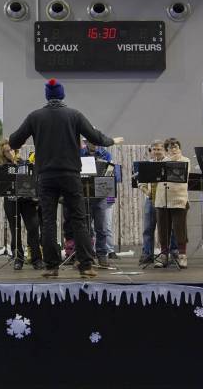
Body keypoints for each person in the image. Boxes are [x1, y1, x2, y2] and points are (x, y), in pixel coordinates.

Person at [9, 78, 123, 278]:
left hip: (46, 176)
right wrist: (112, 140)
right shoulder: (74, 115)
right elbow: (95, 137)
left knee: (49, 222)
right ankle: (86, 266)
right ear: (62, 95)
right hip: (70, 175)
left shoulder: (35, 117)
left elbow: (14, 140)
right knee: (79, 219)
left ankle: (51, 266)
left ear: (47, 95)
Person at [0, 139, 43, 270]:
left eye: (12, 150)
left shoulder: (24, 163)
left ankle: (36, 258)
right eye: (7, 151)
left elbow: (33, 181)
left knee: (33, 227)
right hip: (11, 201)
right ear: (2, 154)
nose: (10, 153)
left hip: (27, 201)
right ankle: (18, 258)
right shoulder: (0, 167)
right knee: (15, 229)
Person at [138, 140, 178, 265]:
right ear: (151, 151)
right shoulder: (147, 164)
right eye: (154, 149)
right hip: (151, 200)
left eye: (159, 149)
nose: (156, 152)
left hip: (166, 200)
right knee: (148, 228)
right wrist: (146, 191)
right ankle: (147, 254)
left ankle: (171, 254)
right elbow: (141, 183)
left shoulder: (169, 163)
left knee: (169, 229)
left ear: (164, 150)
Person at [153, 138, 191, 268]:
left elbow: (183, 177)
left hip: (179, 199)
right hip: (162, 200)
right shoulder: (161, 162)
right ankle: (164, 256)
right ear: (166, 150)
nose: (173, 149)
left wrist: (172, 160)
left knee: (180, 229)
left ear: (179, 148)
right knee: (163, 229)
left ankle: (182, 256)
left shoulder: (185, 160)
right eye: (170, 147)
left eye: (175, 147)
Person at [80, 140, 115, 266]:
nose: (92, 143)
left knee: (101, 228)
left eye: (94, 141)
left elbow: (110, 173)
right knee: (85, 228)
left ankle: (102, 255)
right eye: (89, 141)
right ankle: (86, 255)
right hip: (84, 196)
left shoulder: (106, 155)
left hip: (101, 196)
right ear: (86, 142)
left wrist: (110, 197)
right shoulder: (80, 153)